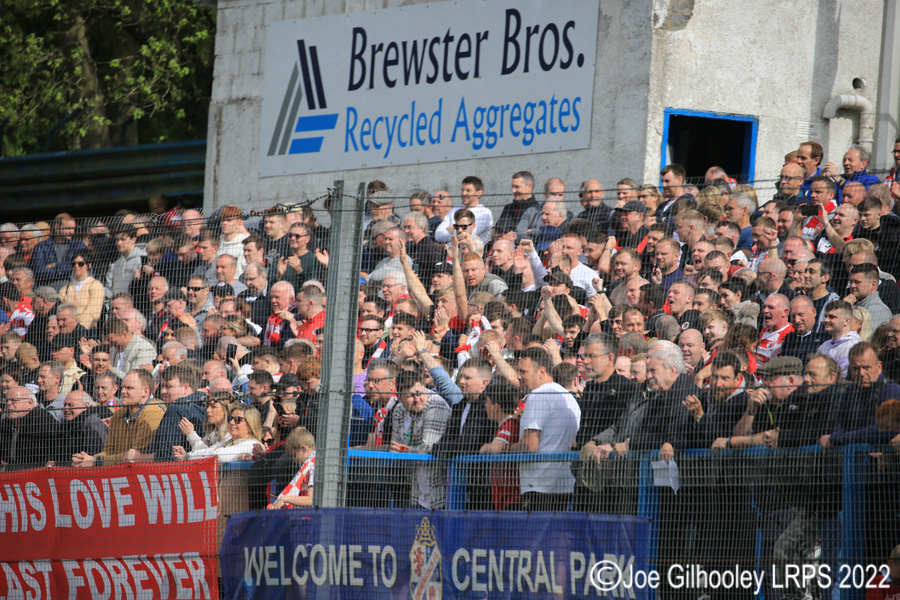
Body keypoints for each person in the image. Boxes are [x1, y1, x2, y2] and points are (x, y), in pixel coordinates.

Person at [510, 347, 581, 511]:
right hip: (565, 485)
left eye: (523, 371)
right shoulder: (567, 397)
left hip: (539, 486)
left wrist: (504, 449)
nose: (519, 376)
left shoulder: (538, 395)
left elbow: (530, 446)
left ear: (542, 371)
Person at [72, 370, 165, 467]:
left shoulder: (153, 414)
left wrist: (95, 461)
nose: (123, 392)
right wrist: (86, 459)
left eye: (129, 388)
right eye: (123, 387)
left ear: (145, 391)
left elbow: (135, 456)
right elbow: (107, 452)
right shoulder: (118, 415)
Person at [390, 370, 451, 509]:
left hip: (440, 492)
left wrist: (403, 451)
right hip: (416, 490)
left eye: (419, 393)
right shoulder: (399, 410)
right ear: (399, 397)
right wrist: (399, 450)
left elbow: (426, 452)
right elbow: (396, 450)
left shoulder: (436, 405)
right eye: (410, 396)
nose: (417, 399)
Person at [173, 405, 264, 463]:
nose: (231, 423)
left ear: (251, 424)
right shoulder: (228, 441)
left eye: (238, 420)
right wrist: (187, 456)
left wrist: (217, 451)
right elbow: (206, 452)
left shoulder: (252, 444)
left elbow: (220, 456)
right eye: (230, 419)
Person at [0, 385, 62, 469]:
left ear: (30, 403)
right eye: (6, 400)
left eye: (14, 400)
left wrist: (9, 468)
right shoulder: (6, 424)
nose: (9, 404)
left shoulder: (43, 422)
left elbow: (37, 460)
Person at [267, 427, 317, 509]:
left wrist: (285, 499)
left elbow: (311, 500)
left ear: (304, 449)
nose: (294, 460)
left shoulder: (313, 466)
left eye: (294, 455)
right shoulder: (310, 465)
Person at [817, 300, 862, 376]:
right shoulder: (824, 345)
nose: (826, 320)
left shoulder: (852, 346)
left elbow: (842, 377)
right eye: (825, 316)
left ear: (846, 321)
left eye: (832, 317)